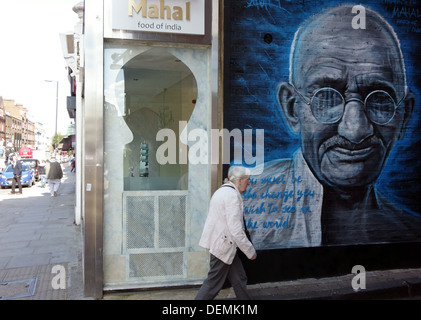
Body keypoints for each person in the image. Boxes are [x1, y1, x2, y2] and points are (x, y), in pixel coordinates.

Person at [244, 4, 421, 248]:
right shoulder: (245, 204)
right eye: (326, 98)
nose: (355, 130)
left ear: (404, 115)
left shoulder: (409, 231)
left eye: (380, 99)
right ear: (292, 109)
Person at [196, 166, 257, 300]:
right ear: (239, 180)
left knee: (239, 278)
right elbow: (235, 230)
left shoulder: (222, 191)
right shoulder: (232, 196)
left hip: (225, 244)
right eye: (248, 180)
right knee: (213, 284)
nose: (249, 183)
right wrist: (250, 251)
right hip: (224, 246)